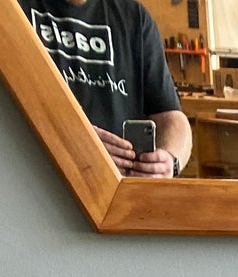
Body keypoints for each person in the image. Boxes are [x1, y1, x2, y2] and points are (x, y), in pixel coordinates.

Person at [26, 1, 192, 176]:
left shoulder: (135, 17)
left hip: (119, 193)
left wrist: (169, 162)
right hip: (38, 182)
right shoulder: (14, 9)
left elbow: (173, 118)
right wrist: (71, 142)